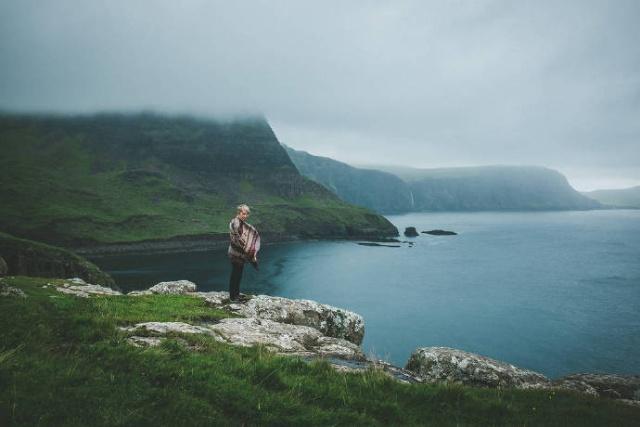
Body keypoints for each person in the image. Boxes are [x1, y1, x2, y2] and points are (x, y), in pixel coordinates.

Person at [227, 204, 260, 301]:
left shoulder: (241, 223)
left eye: (247, 214)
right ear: (238, 213)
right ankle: (233, 297)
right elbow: (238, 240)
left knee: (238, 274)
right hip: (235, 253)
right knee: (235, 275)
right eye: (244, 214)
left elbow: (247, 236)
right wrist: (250, 252)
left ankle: (236, 294)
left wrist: (250, 250)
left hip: (240, 254)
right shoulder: (236, 223)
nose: (245, 216)